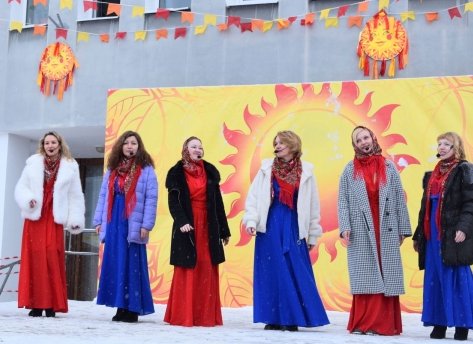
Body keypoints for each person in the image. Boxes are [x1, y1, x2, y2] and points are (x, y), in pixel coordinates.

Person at [243, 131, 330, 332]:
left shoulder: (306, 172)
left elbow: (313, 206)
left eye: (282, 142)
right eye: (276, 143)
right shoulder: (266, 169)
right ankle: (272, 317)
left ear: (293, 145)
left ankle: (291, 318)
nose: (277, 146)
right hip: (269, 225)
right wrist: (251, 220)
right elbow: (254, 197)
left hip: (293, 225)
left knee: (293, 268)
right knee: (271, 270)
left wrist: (313, 233)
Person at [412, 132, 473, 341]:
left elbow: (470, 204)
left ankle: (462, 324)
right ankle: (439, 323)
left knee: (455, 277)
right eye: (440, 144)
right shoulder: (432, 175)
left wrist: (463, 228)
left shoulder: (463, 171)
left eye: (447, 144)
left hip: (452, 233)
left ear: (457, 148)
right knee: (435, 278)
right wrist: (419, 235)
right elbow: (425, 209)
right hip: (432, 235)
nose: (442, 147)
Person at [337, 126, 412, 336]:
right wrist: (345, 226)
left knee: (385, 271)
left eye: (365, 137)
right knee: (365, 274)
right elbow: (342, 200)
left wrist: (403, 229)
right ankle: (363, 322)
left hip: (385, 226)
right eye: (359, 140)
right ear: (355, 145)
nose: (364, 142)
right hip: (361, 227)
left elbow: (399, 199)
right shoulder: (349, 170)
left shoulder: (388, 167)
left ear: (373, 138)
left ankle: (381, 323)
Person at [14, 131, 85, 317]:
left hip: (54, 219)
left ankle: (51, 304)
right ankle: (36, 304)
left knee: (52, 257)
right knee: (35, 260)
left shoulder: (70, 166)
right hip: (35, 218)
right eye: (47, 143)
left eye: (53, 142)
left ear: (60, 145)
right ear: (43, 145)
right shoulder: (33, 164)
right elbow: (21, 188)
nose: (50, 146)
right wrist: (29, 199)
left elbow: (75, 195)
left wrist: (75, 218)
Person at [164, 137, 231, 327]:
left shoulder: (210, 172)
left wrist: (224, 230)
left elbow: (218, 203)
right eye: (193, 146)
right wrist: (182, 221)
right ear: (185, 149)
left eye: (200, 147)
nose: (197, 150)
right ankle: (184, 315)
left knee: (207, 265)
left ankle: (204, 315)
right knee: (187, 267)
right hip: (188, 224)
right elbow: (174, 202)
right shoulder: (176, 173)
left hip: (209, 225)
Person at [94, 131, 158, 323]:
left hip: (133, 221)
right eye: (126, 143)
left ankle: (133, 308)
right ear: (120, 146)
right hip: (114, 220)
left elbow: (151, 199)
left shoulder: (146, 170)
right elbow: (103, 196)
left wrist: (146, 224)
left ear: (139, 147)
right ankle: (120, 306)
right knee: (117, 263)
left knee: (132, 264)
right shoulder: (112, 169)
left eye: (134, 143)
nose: (130, 146)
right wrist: (98, 221)